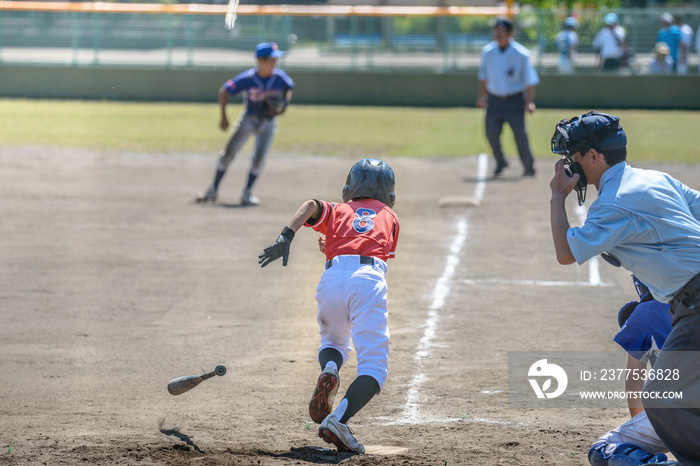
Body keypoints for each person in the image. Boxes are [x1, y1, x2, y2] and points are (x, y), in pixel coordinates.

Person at [549, 110, 700, 465]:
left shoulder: (614, 202)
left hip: (696, 305)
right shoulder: (653, 179)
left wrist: (558, 197)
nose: (568, 165)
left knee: (663, 399)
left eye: (572, 156)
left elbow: (566, 253)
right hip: (688, 305)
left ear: (593, 157)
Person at [258, 158, 400, 453]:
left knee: (334, 341)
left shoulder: (338, 209)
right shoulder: (390, 216)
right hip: (367, 278)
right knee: (374, 366)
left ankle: (332, 368)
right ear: (390, 195)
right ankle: (338, 420)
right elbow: (373, 245)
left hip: (332, 277)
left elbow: (310, 205)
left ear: (350, 188)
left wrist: (287, 236)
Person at [588, 276, 678, 466]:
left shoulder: (647, 311)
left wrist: (642, 427)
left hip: (679, 416)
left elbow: (634, 381)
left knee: (603, 449)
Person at [196, 42, 295, 206]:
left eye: (275, 60)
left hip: (268, 123)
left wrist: (285, 102)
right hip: (248, 119)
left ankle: (247, 193)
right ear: (260, 60)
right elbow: (224, 90)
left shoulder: (279, 77)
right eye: (271, 60)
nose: (275, 63)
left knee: (259, 158)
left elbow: (289, 87)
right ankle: (213, 189)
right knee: (228, 155)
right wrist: (223, 117)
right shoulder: (248, 78)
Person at [476, 17, 539, 177]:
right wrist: (482, 96)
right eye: (496, 30)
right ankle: (500, 161)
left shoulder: (521, 53)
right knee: (491, 132)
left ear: (510, 33)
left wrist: (529, 102)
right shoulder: (488, 52)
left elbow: (529, 80)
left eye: (502, 31)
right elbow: (483, 76)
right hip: (494, 99)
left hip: (514, 101)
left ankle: (528, 166)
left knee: (519, 134)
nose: (498, 34)